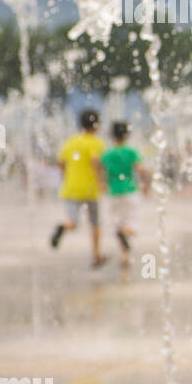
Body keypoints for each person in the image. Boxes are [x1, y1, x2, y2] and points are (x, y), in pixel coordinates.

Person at [50, 108, 108, 267]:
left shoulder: (70, 142)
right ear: (96, 125)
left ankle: (63, 226)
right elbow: (95, 161)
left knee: (73, 222)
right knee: (95, 223)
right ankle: (96, 255)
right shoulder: (95, 142)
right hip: (90, 189)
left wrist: (67, 176)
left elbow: (60, 163)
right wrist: (101, 181)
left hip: (71, 188)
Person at [100, 121, 150, 270]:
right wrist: (146, 185)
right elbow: (141, 170)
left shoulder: (107, 154)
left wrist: (103, 185)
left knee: (117, 223)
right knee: (132, 224)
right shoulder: (131, 152)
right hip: (130, 191)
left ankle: (125, 256)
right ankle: (126, 236)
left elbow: (102, 174)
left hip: (113, 192)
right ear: (127, 135)